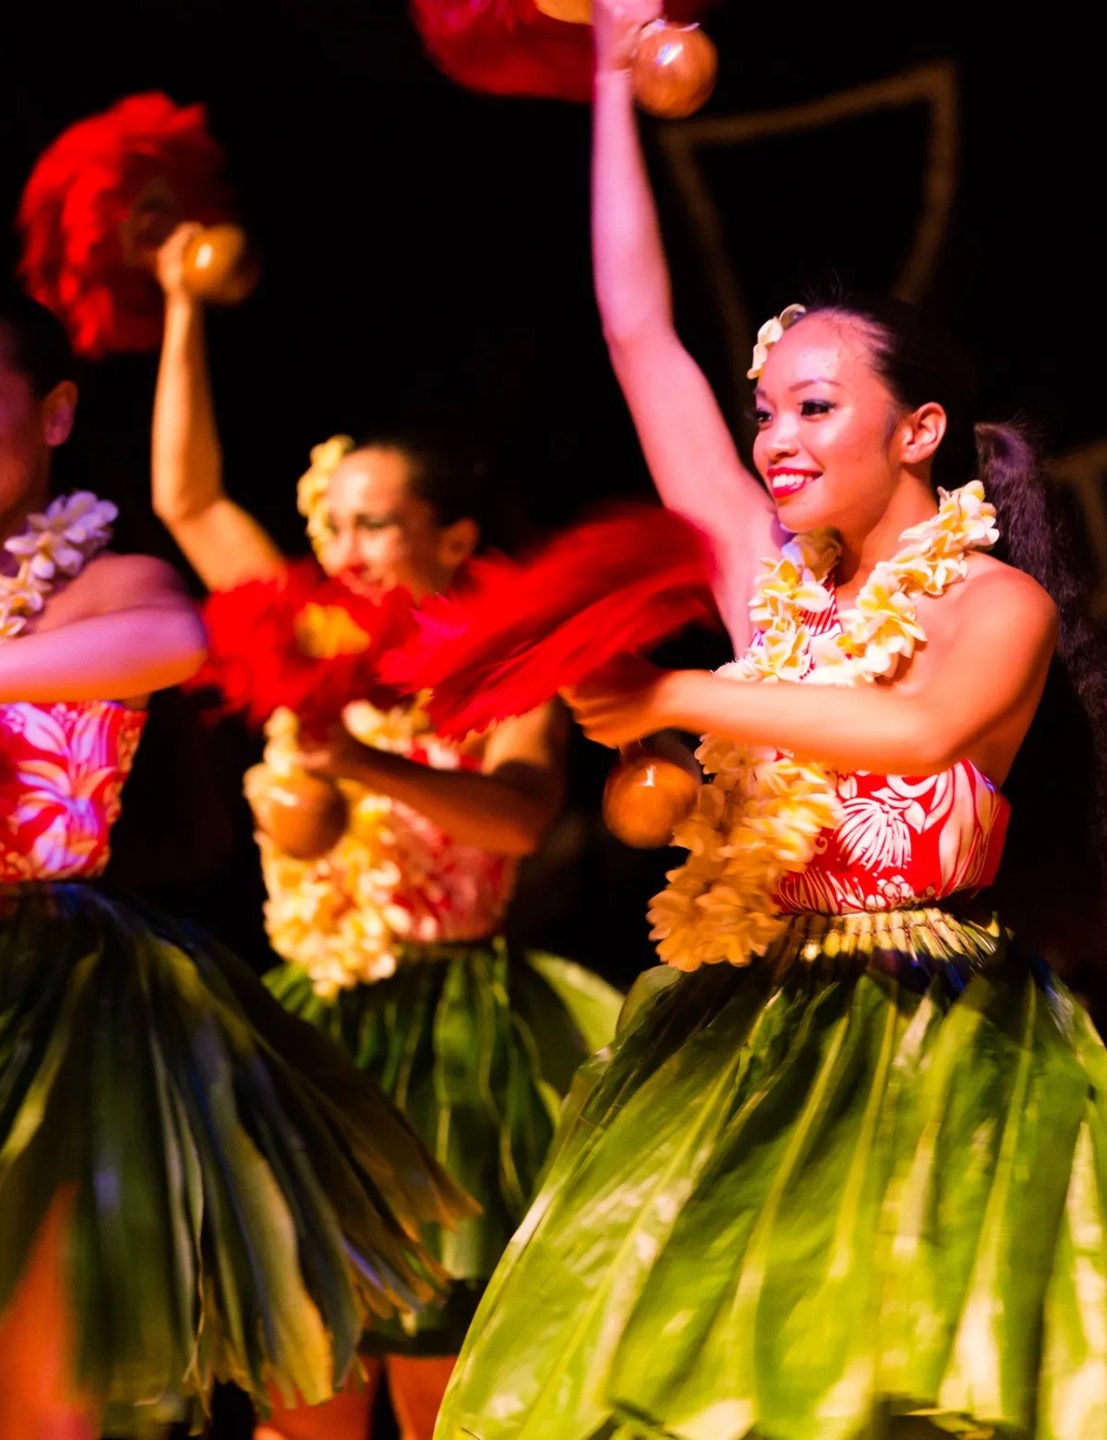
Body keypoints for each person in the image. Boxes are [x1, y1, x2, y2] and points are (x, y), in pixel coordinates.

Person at [430, 3, 1107, 1437]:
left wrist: (669, 693)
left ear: (916, 432)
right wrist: (603, 67)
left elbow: (912, 738)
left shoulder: (996, 606)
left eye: (813, 406)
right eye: (765, 408)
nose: (773, 437)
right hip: (744, 1016)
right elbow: (635, 328)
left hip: (935, 1033)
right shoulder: (761, 577)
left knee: (898, 1394)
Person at [148, 224, 622, 1440]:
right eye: (334, 524)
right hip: (313, 1032)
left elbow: (518, 817)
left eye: (374, 525)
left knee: (437, 1389)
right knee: (306, 1383)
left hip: (461, 1050)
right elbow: (188, 500)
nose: (341, 550)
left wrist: (361, 761)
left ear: (454, 542)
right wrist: (179, 307)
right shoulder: (303, 639)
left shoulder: (510, 675)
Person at [0, 290, 469, 1440]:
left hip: (53, 1004)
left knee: (41, 1375)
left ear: (55, 413)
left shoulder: (101, 584)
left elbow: (176, 639)